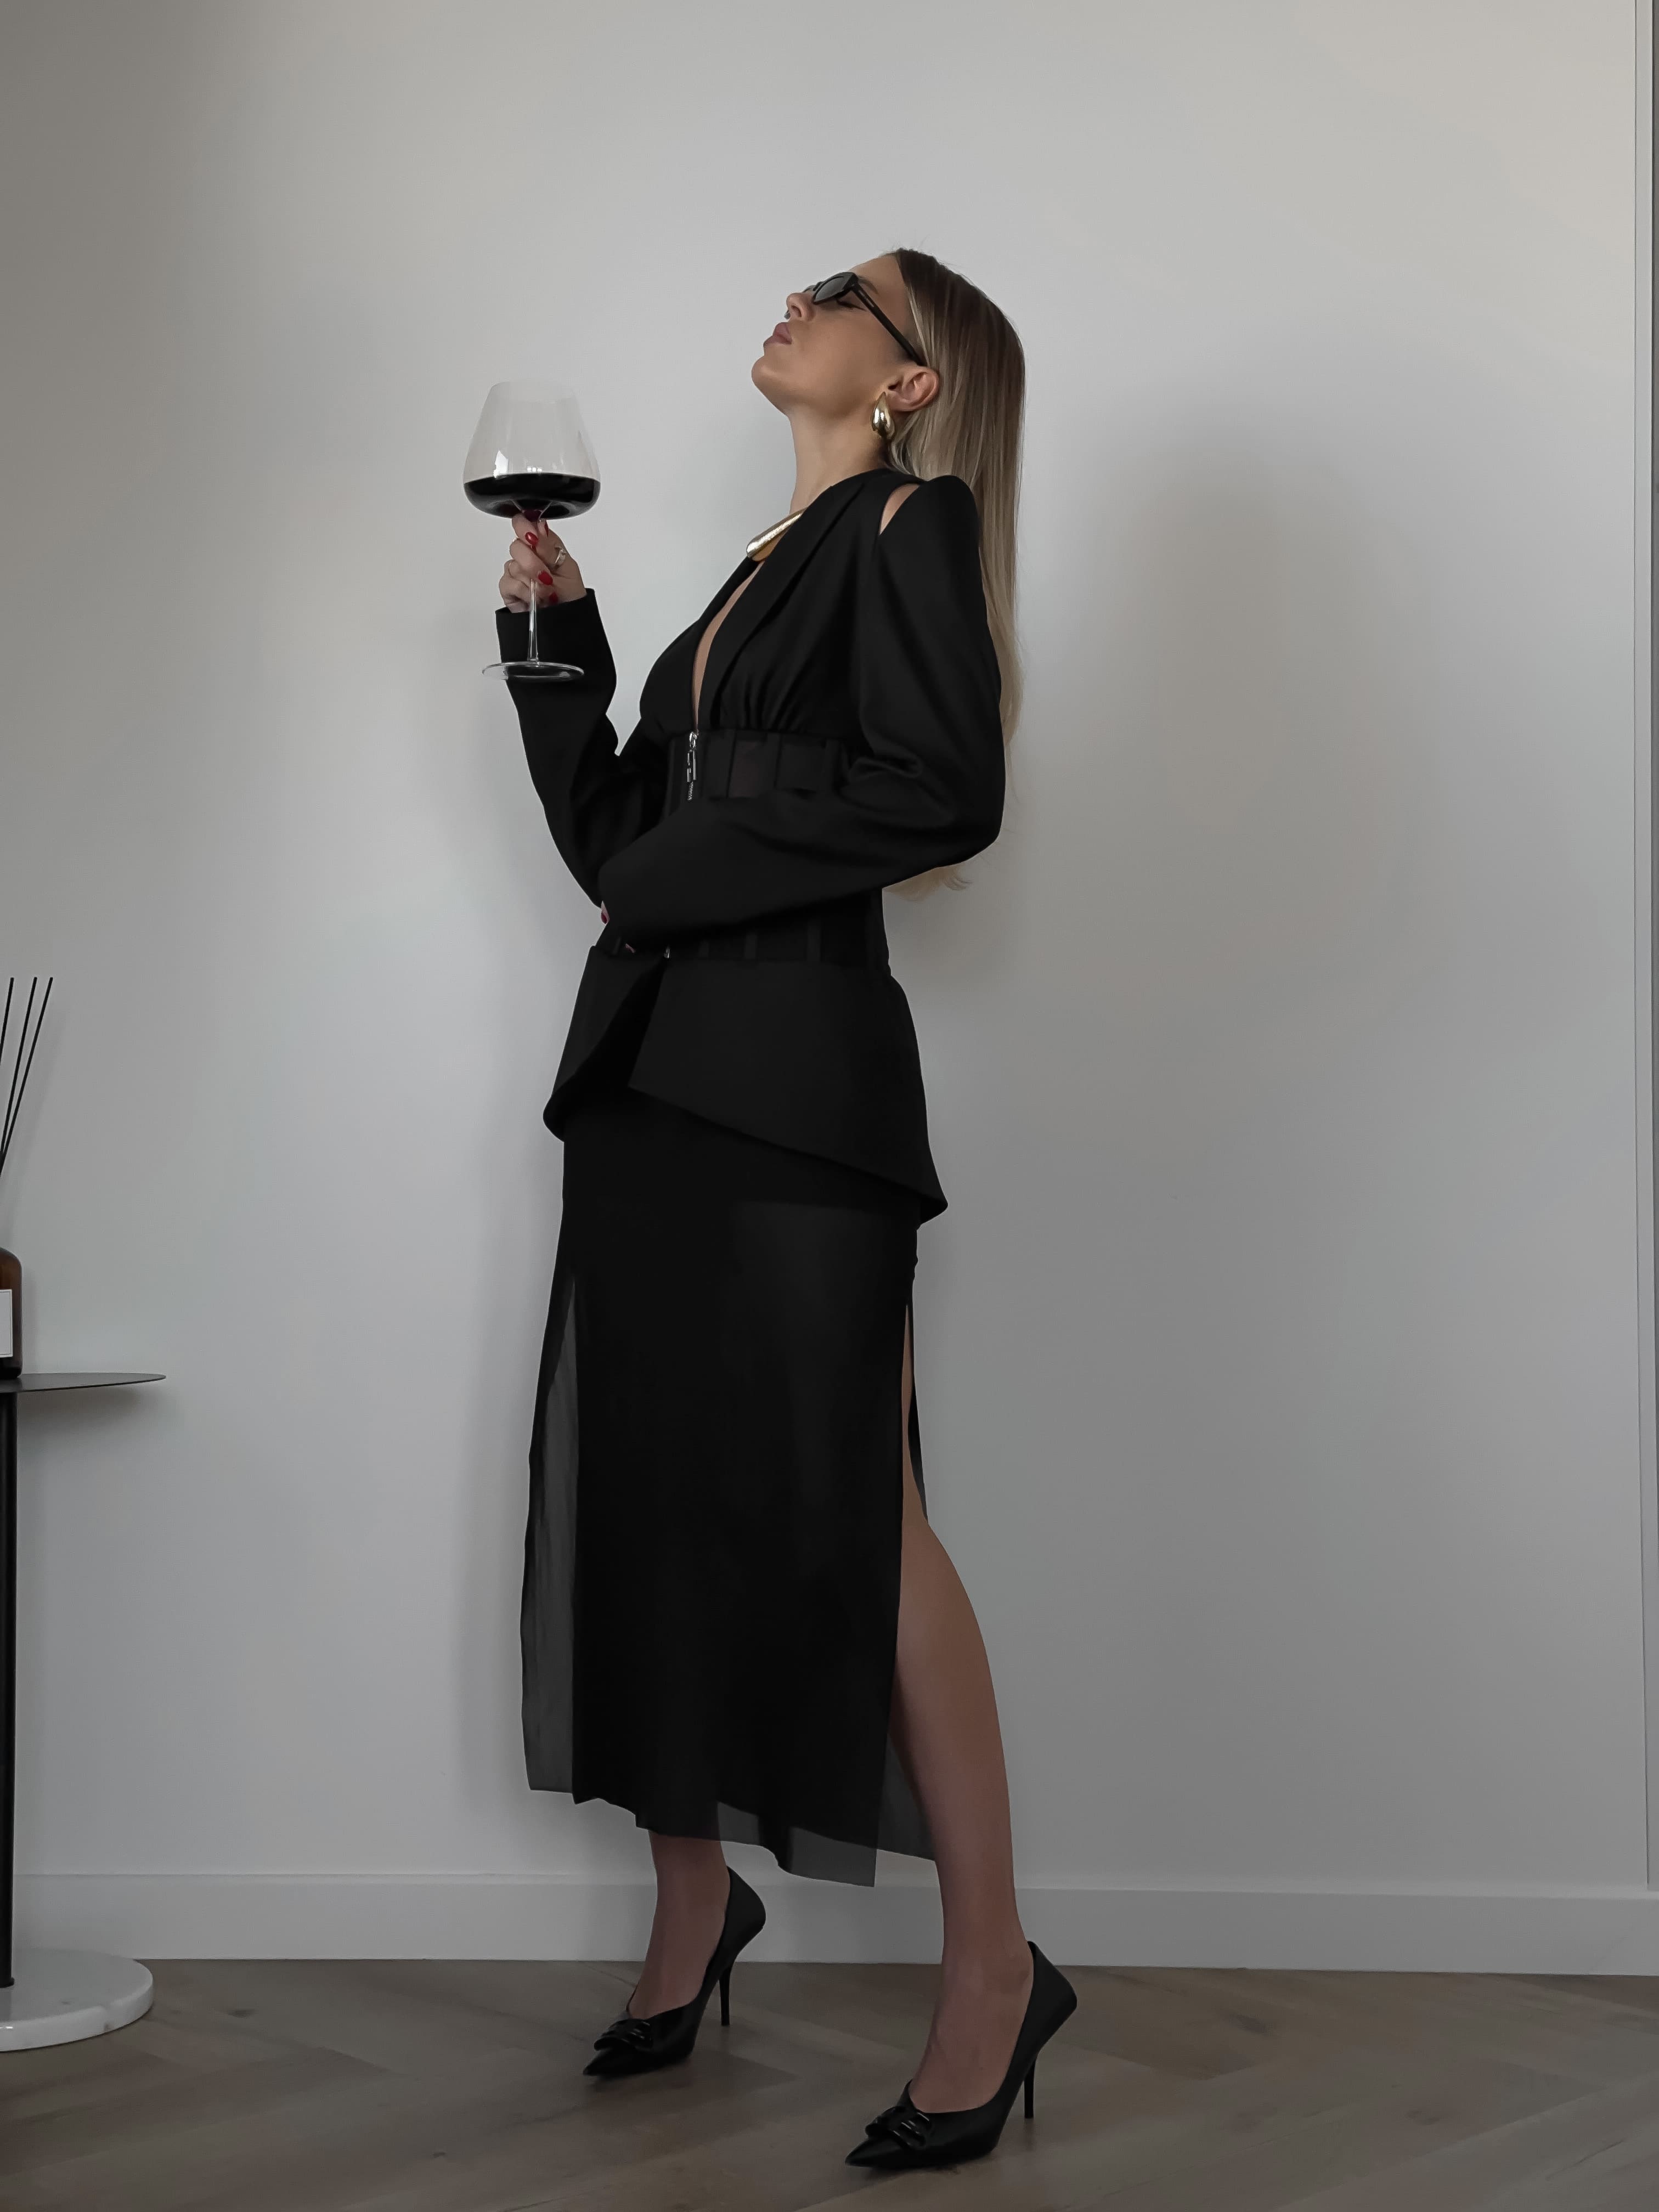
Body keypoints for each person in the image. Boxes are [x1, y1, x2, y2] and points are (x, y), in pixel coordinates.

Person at [492, 249, 1075, 2172]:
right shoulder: (752, 572)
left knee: (859, 1522)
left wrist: (687, 864)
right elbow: (617, 846)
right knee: (654, 1493)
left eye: (840, 293)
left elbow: (943, 790)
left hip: (803, 1088)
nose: (794, 303)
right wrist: (555, 654)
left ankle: (994, 1973)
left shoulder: (914, 525)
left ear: (908, 382)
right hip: (649, 1082)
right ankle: (694, 1912)